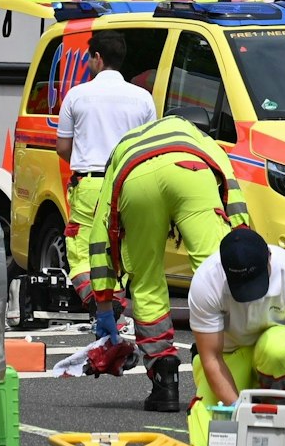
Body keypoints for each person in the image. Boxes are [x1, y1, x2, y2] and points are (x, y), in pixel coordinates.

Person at [85, 114, 249, 411]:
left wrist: (105, 304)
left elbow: (100, 232)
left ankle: (165, 380)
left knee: (147, 281)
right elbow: (233, 196)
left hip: (135, 180)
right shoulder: (201, 140)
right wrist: (243, 243)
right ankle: (214, 360)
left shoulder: (122, 149)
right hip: (191, 171)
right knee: (214, 271)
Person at [186, 227, 285, 446]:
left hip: (270, 350)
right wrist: (238, 413)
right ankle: (251, 415)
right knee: (208, 445)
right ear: (224, 271)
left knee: (279, 348)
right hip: (229, 355)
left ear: (269, 260)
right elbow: (212, 358)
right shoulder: (206, 282)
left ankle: (275, 412)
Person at [55, 31, 155, 314]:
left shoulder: (77, 96)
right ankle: (116, 302)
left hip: (91, 184)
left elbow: (63, 147)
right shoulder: (143, 98)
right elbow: (150, 148)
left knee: (84, 251)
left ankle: (99, 304)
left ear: (97, 58)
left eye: (89, 58)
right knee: (119, 248)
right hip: (130, 185)